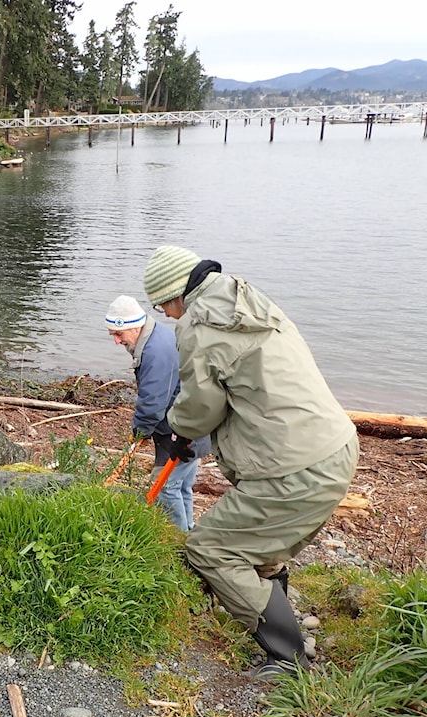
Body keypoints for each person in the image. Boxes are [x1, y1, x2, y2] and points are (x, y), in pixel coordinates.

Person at [143, 245, 358, 676]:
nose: (166, 316)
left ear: (174, 295)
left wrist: (174, 428)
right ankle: (281, 613)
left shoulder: (199, 325)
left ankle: (288, 656)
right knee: (259, 544)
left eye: (162, 305)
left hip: (294, 468)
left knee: (210, 549)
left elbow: (202, 406)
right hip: (335, 447)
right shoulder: (246, 301)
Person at [104, 295, 209, 531]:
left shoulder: (155, 351)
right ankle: (188, 530)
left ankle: (176, 539)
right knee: (181, 486)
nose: (116, 341)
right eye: (113, 335)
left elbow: (152, 402)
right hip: (185, 425)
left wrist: (139, 431)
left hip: (184, 431)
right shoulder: (154, 335)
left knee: (166, 487)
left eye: (118, 334)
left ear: (135, 326)